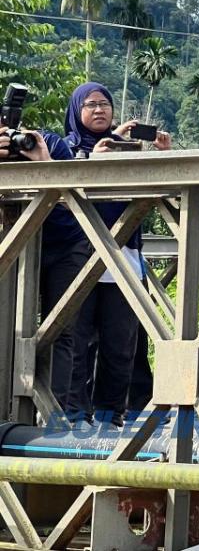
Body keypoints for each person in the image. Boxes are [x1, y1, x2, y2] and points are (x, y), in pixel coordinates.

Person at [64, 82, 171, 426]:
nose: (99, 110)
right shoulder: (66, 148)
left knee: (120, 341)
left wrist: (162, 155)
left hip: (123, 257)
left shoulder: (126, 148)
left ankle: (112, 414)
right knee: (77, 339)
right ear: (76, 111)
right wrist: (93, 160)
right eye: (91, 105)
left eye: (105, 104)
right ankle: (77, 415)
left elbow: (164, 189)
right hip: (80, 257)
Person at [0, 100, 88, 418]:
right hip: (16, 248)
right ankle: (10, 409)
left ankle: (55, 414)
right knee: (9, 327)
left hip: (64, 245)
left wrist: (44, 163)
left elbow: (75, 203)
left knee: (60, 328)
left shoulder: (47, 143)